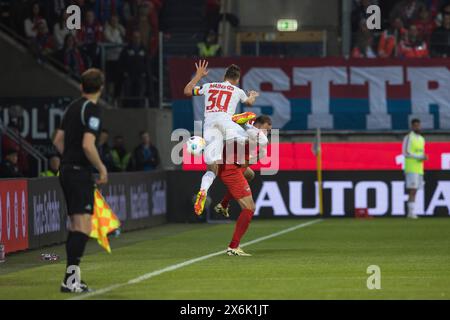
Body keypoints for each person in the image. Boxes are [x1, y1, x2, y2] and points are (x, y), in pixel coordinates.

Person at [53, 68, 108, 293]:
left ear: (81, 86)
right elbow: (88, 144)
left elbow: (58, 140)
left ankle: (71, 278)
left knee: (77, 225)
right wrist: (101, 168)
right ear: (101, 88)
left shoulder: (72, 107)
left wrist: (69, 156)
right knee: (83, 227)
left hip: (66, 170)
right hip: (78, 173)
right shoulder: (92, 109)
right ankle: (70, 279)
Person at [183, 60, 259, 216]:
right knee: (252, 136)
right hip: (228, 124)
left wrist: (198, 75)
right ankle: (242, 121)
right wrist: (252, 95)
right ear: (237, 79)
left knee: (211, 170)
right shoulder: (237, 90)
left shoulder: (209, 86)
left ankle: (203, 191)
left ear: (224, 76)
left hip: (210, 126)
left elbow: (187, 91)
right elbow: (250, 102)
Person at [215, 115, 272, 219]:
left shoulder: (259, 137)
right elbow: (233, 121)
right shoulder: (248, 125)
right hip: (228, 159)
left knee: (250, 175)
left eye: (268, 131)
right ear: (258, 125)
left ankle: (224, 204)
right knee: (249, 206)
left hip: (237, 158)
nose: (267, 133)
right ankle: (224, 204)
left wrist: (252, 159)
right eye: (266, 130)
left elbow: (251, 159)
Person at [402, 118, 427, 219]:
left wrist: (424, 157)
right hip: (411, 168)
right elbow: (405, 152)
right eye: (415, 125)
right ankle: (410, 213)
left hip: (419, 168)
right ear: (412, 126)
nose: (418, 127)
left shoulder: (422, 139)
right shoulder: (408, 137)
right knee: (412, 190)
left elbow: (420, 152)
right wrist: (419, 157)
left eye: (419, 125)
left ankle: (411, 212)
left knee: (415, 190)